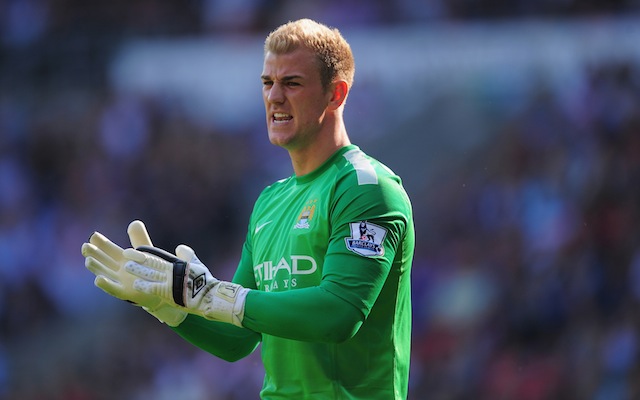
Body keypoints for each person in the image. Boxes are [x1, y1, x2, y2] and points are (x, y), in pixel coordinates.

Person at [82, 18, 415, 399]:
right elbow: (238, 339)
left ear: (335, 94)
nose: (274, 97)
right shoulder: (270, 200)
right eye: (267, 83)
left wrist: (216, 296)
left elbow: (339, 313)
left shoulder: (365, 189)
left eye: (292, 83)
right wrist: (172, 308)